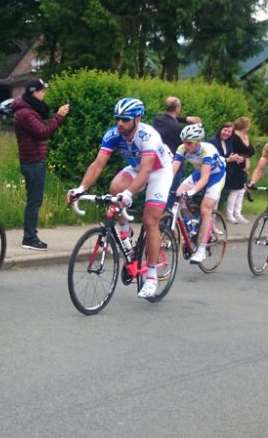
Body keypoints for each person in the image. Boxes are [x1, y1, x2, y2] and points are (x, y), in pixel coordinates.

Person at [67, 97, 174, 299]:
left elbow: (146, 171)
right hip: (136, 168)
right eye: (117, 118)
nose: (120, 123)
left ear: (137, 118)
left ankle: (151, 276)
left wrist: (129, 193)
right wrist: (81, 188)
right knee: (115, 187)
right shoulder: (114, 134)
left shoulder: (148, 135)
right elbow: (98, 164)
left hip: (159, 171)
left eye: (125, 119)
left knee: (151, 219)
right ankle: (126, 236)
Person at [13, 79, 70, 250]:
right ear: (34, 93)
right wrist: (59, 116)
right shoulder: (26, 113)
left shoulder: (27, 110)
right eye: (41, 91)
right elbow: (43, 132)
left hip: (33, 160)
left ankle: (30, 236)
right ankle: (29, 238)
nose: (44, 93)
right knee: (35, 200)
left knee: (34, 199)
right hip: (33, 161)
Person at [171, 123, 227, 264]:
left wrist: (192, 192)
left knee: (205, 208)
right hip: (199, 173)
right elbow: (173, 170)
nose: (185, 145)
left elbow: (205, 178)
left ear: (198, 142)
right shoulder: (182, 148)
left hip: (216, 176)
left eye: (189, 142)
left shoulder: (207, 151)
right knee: (178, 194)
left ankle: (201, 249)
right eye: (184, 141)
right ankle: (191, 223)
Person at [210, 117, 255, 224]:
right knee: (234, 190)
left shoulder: (243, 137)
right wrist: (238, 157)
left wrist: (246, 159)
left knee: (241, 190)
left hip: (240, 163)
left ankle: (237, 213)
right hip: (233, 165)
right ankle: (229, 214)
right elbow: (234, 151)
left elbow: (249, 151)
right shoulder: (234, 137)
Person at [152, 96, 201, 191]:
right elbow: (187, 146)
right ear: (177, 108)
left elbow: (170, 118)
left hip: (157, 161)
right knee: (171, 193)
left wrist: (185, 119)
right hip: (174, 164)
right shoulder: (177, 128)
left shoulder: (157, 119)